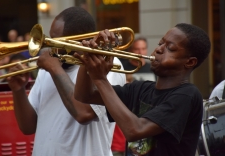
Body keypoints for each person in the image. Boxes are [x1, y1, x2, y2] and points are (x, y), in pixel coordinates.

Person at [74, 23, 211, 156]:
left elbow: (134, 130)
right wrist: (88, 58)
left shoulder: (187, 95)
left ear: (190, 62)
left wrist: (100, 79)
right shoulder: (140, 88)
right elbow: (84, 96)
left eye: (170, 48)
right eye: (160, 44)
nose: (158, 50)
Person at [7, 7, 126, 156]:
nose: (49, 47)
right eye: (50, 39)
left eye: (57, 42)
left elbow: (84, 114)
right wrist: (18, 90)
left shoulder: (107, 64)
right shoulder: (51, 66)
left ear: (81, 41)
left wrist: (55, 69)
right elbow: (28, 127)